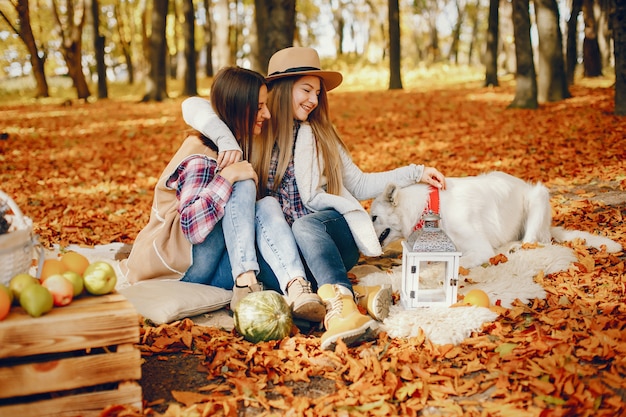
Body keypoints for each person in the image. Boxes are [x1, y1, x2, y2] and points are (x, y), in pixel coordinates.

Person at [182, 48, 446, 350]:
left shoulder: (320, 134)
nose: (313, 99)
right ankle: (337, 300)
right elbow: (193, 106)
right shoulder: (254, 130)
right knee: (251, 269)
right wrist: (226, 140)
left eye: (317, 93)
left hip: (326, 235)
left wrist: (416, 172)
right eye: (306, 90)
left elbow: (359, 184)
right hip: (286, 251)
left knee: (305, 226)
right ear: (280, 90)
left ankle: (343, 305)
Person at [120, 66, 325, 322]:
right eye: (260, 106)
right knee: (244, 182)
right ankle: (246, 280)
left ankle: (296, 288)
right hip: (178, 271)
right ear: (240, 108)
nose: (268, 114)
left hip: (212, 268)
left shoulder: (231, 148)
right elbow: (192, 229)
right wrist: (228, 177)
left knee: (267, 204)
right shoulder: (201, 154)